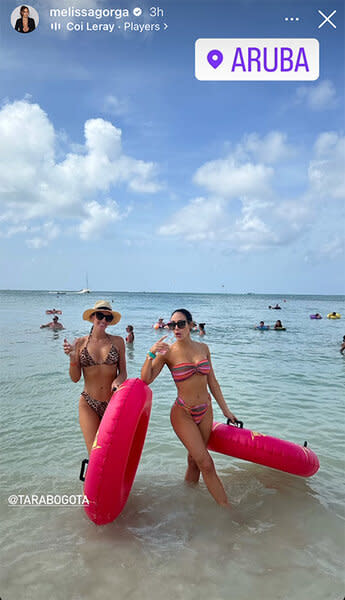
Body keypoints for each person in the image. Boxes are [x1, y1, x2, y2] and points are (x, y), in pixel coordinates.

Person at [141, 308, 237, 507]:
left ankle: (188, 504)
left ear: (191, 325)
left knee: (195, 461)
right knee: (206, 464)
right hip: (183, 412)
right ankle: (228, 511)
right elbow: (146, 379)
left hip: (206, 410)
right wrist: (151, 353)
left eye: (181, 323)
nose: (176, 328)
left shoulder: (203, 348)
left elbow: (213, 382)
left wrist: (226, 411)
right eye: (172, 325)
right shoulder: (167, 353)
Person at [63, 300, 127, 454]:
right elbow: (75, 378)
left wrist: (117, 381)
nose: (104, 320)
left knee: (113, 452)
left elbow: (123, 373)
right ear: (92, 317)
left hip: (112, 403)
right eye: (100, 316)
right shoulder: (80, 343)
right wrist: (72, 358)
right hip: (88, 403)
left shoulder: (118, 342)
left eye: (108, 318)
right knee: (95, 453)